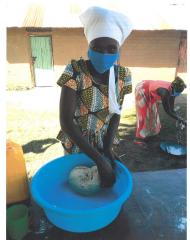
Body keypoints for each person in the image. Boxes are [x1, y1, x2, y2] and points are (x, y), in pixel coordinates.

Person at [56, 6, 133, 187]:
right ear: (89, 47)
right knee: (79, 182)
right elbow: (66, 121)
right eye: (97, 47)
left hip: (104, 139)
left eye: (111, 48)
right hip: (77, 141)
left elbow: (116, 113)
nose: (104, 54)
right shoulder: (75, 71)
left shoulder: (123, 76)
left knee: (101, 185)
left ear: (118, 50)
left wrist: (107, 148)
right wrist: (99, 160)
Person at [134, 77, 186, 146]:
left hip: (150, 90)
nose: (179, 94)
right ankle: (138, 139)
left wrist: (180, 118)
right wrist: (179, 119)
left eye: (180, 92)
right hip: (142, 89)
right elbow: (168, 110)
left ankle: (151, 133)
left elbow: (172, 109)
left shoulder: (172, 91)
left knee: (153, 112)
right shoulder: (165, 92)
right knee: (143, 114)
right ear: (174, 88)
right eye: (179, 92)